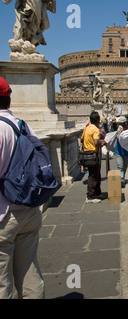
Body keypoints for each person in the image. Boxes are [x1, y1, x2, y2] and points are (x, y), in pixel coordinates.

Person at [0, 76, 45, 298]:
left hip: (3, 216)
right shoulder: (22, 125)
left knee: (2, 284)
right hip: (28, 209)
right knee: (30, 276)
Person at [82, 111, 106, 204]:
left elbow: (81, 140)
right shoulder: (95, 129)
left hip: (86, 154)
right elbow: (96, 142)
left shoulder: (86, 128)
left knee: (96, 174)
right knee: (93, 175)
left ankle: (97, 193)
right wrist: (102, 143)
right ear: (97, 120)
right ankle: (90, 196)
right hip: (93, 154)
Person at [114, 116, 128, 188]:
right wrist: (120, 131)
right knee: (120, 166)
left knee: (125, 167)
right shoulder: (118, 131)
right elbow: (118, 137)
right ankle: (121, 180)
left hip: (126, 152)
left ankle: (122, 178)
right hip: (118, 152)